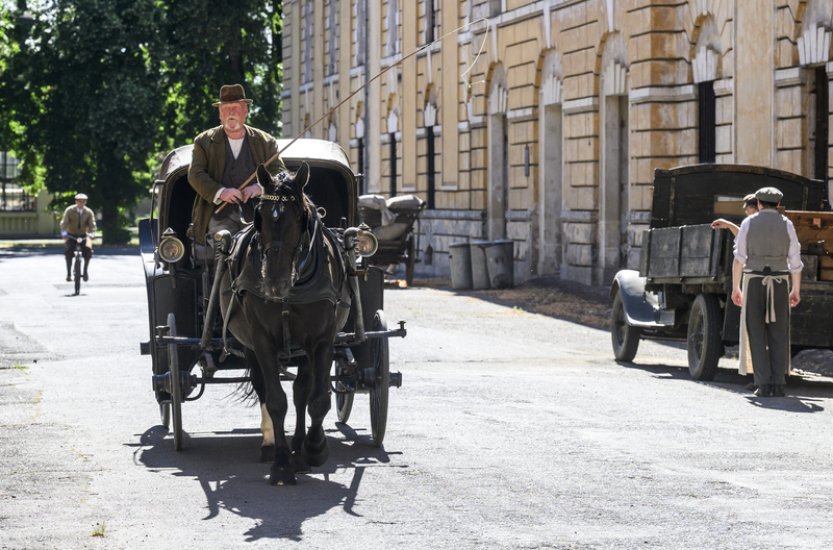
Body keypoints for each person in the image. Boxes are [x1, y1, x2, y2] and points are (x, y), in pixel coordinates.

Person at [188, 83, 285, 248]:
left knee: (267, 250)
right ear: (220, 113)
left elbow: (280, 172)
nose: (231, 113)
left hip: (259, 213)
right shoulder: (203, 141)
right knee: (223, 248)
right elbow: (195, 174)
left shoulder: (266, 141)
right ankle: (220, 274)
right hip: (219, 215)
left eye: (235, 107)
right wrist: (221, 192)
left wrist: (260, 188)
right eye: (226, 108)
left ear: (245, 111)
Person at [731, 187, 802, 397]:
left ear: (759, 203)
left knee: (756, 332)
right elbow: (795, 261)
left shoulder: (748, 223)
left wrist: (736, 287)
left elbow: (739, 258)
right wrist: (795, 289)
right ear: (778, 204)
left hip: (753, 281)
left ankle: (762, 384)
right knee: (779, 333)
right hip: (780, 282)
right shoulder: (787, 224)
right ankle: (779, 383)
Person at [60, 193, 97, 281]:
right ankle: (69, 273)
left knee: (88, 250)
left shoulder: (88, 212)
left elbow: (92, 224)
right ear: (76, 201)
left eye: (83, 201)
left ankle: (85, 271)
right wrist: (64, 233)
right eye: (79, 201)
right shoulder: (69, 210)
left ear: (85, 202)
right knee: (68, 251)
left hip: (84, 235)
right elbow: (64, 223)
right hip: (71, 235)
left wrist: (92, 233)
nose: (81, 203)